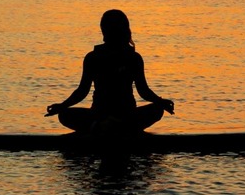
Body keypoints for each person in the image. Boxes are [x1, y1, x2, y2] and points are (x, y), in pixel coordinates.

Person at [45, 9, 176, 133]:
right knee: (157, 110)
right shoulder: (132, 57)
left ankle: (103, 126)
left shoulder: (94, 57)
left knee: (64, 114)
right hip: (124, 114)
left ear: (103, 31)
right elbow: (143, 91)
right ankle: (119, 126)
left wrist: (62, 106)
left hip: (101, 115)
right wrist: (160, 102)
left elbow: (82, 91)